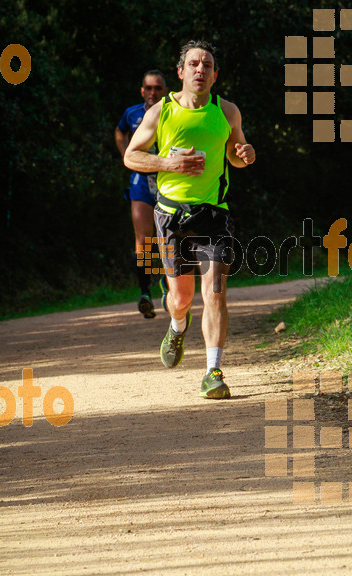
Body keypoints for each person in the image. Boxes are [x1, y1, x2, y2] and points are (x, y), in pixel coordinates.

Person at [123, 40, 255, 398]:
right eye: (194, 64)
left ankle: (213, 371)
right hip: (170, 215)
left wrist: (246, 153)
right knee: (181, 297)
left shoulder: (227, 112)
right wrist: (168, 163)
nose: (201, 69)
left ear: (215, 75)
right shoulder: (160, 112)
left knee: (215, 291)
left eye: (207, 65)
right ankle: (178, 326)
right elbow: (131, 157)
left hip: (213, 215)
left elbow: (236, 155)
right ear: (181, 72)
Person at [115, 69, 169, 318]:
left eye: (158, 88)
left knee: (167, 238)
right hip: (140, 181)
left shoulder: (172, 111)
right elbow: (120, 131)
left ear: (165, 91)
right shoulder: (132, 113)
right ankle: (145, 292)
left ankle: (169, 284)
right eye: (149, 88)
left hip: (168, 179)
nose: (153, 93)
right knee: (143, 240)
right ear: (142, 91)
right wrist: (127, 157)